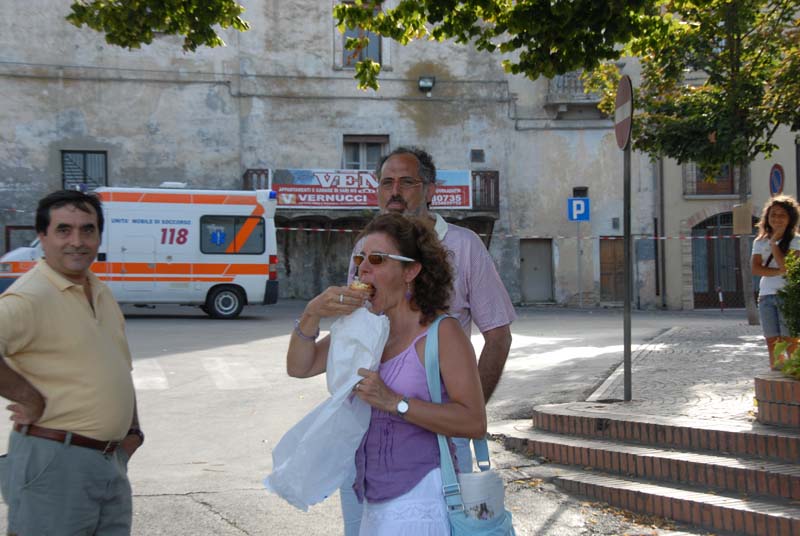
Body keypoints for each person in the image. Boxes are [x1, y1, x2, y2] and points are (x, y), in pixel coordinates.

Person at [341, 146, 516, 534]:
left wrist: (463, 408)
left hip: (436, 451)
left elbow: (498, 334)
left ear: (431, 190)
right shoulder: (364, 249)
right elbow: (353, 335)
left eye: (407, 182)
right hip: (366, 445)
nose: (395, 192)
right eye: (386, 182)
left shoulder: (465, 245)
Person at [287, 213, 486, 535]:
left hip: (422, 498)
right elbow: (300, 366)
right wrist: (312, 314)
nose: (362, 268)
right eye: (359, 258)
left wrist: (395, 402)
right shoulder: (363, 328)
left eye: (377, 259)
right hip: (371, 498)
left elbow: (474, 421)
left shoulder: (441, 333)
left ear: (411, 270)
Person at [0, 190, 143, 535]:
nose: (77, 241)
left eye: (88, 230)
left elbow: (119, 366)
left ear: (98, 236)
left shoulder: (100, 291)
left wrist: (133, 432)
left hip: (109, 462)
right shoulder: (30, 296)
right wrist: (30, 397)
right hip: (55, 461)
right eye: (64, 230)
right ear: (42, 236)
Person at [751, 194, 800, 369]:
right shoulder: (759, 241)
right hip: (766, 296)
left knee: (790, 340)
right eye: (773, 215)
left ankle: (794, 379)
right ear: (767, 217)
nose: (777, 219)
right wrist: (779, 271)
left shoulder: (796, 241)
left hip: (788, 296)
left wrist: (774, 244)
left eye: (782, 215)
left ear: (790, 218)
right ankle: (777, 378)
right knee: (772, 341)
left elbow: (786, 267)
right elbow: (756, 269)